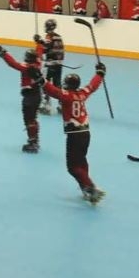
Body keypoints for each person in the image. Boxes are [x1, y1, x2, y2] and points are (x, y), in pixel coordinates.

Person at [43, 63, 106, 204]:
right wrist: (100, 73)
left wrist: (41, 80)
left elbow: (52, 90)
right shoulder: (82, 93)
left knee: (72, 167)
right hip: (86, 133)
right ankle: (85, 187)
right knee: (82, 161)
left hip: (74, 135)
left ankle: (91, 186)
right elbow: (92, 86)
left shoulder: (66, 96)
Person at [0, 45, 44, 153]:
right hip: (37, 94)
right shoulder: (38, 64)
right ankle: (34, 139)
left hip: (30, 96)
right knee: (32, 118)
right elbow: (39, 54)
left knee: (29, 119)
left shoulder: (27, 67)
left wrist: (2, 52)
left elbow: (13, 63)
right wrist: (39, 44)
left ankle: (33, 142)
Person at [34, 18, 65, 115]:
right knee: (57, 85)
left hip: (50, 65)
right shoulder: (59, 37)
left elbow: (46, 48)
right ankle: (62, 105)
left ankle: (46, 105)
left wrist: (39, 41)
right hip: (59, 65)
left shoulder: (49, 37)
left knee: (45, 84)